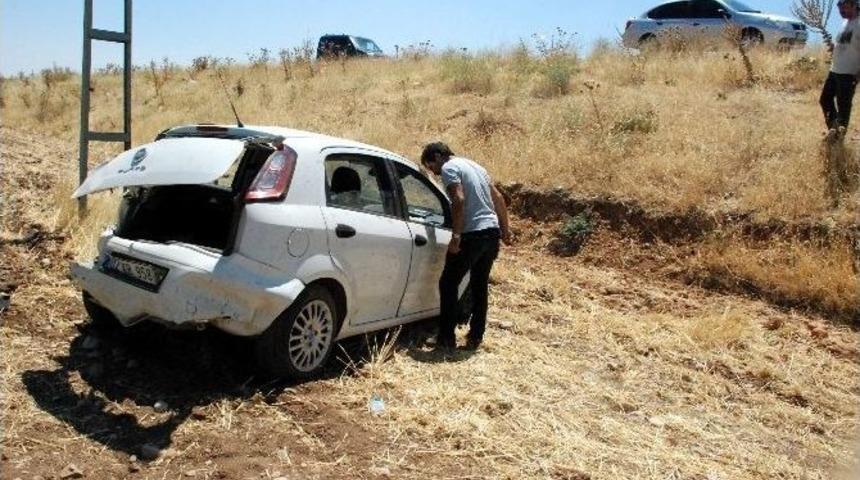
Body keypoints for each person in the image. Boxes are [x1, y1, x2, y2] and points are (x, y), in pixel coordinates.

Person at [420, 142, 511, 351]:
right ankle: (476, 336)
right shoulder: (475, 166)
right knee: (479, 285)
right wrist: (505, 230)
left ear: (437, 157)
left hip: (472, 234)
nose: (435, 173)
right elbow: (497, 198)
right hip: (491, 233)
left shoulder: (449, 168)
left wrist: (456, 236)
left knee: (448, 283)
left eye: (432, 167)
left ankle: (445, 338)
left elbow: (458, 200)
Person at [821, 0, 860, 139]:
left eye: (845, 9)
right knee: (825, 100)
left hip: (848, 74)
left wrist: (858, 76)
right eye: (840, 9)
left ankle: (838, 138)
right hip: (835, 70)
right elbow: (846, 44)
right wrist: (834, 47)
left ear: (855, 6)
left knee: (843, 107)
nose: (841, 12)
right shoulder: (845, 22)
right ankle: (833, 129)